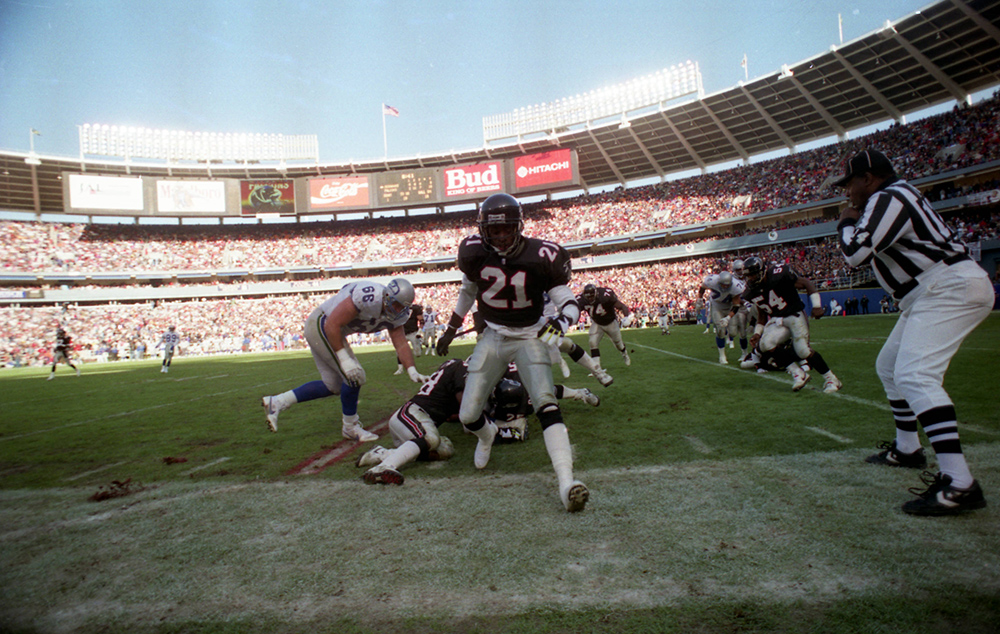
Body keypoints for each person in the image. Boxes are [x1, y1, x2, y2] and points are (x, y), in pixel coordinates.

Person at [835, 148, 993, 516]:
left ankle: (959, 483)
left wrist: (845, 222)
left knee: (915, 374)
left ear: (868, 178)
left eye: (850, 184)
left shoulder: (889, 196)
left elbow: (855, 253)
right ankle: (908, 448)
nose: (847, 194)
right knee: (889, 367)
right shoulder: (891, 195)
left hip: (946, 285)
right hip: (926, 292)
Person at [435, 192, 589, 512]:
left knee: (546, 403)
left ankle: (566, 482)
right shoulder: (474, 253)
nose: (501, 236)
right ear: (484, 230)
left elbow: (569, 303)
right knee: (468, 414)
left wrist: (560, 322)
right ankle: (486, 436)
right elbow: (467, 293)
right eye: (495, 230)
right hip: (493, 336)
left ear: (519, 226)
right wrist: (450, 329)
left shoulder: (543, 255)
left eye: (507, 229)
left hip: (530, 336)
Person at [357, 359, 601, 485]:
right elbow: (468, 415)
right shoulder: (465, 372)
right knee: (431, 439)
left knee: (445, 448)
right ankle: (383, 468)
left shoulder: (473, 372)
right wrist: (499, 428)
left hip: (418, 420)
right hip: (411, 414)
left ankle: (383, 453)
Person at [260, 278, 429, 441]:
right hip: (322, 324)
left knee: (332, 386)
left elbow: (400, 343)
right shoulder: (368, 296)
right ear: (386, 296)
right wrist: (344, 359)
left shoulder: (400, 315)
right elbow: (332, 324)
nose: (397, 309)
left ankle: (277, 402)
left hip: (331, 330)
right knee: (355, 375)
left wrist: (411, 370)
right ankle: (350, 427)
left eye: (402, 307)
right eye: (396, 303)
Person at [742, 256, 842, 393]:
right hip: (777, 319)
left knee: (802, 350)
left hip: (794, 314)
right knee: (765, 343)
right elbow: (762, 315)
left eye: (753, 274)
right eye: (748, 276)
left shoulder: (778, 275)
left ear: (761, 271)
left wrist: (817, 305)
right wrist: (757, 333)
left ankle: (831, 379)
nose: (751, 278)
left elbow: (806, 283)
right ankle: (798, 373)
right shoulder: (750, 292)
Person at [577, 283, 632, 371]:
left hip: (610, 323)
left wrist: (626, 317)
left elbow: (621, 306)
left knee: (618, 344)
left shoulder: (605, 295)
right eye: (588, 297)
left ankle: (624, 353)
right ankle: (597, 368)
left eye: (592, 296)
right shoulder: (581, 299)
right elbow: (575, 309)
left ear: (596, 294)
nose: (590, 299)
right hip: (597, 323)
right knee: (592, 342)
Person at [698, 271, 746, 365]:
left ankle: (730, 339)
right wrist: (699, 299)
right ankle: (722, 356)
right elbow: (702, 288)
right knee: (720, 330)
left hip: (729, 306)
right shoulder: (711, 280)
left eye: (727, 285)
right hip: (717, 306)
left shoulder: (736, 287)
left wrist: (728, 318)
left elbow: (736, 305)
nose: (724, 287)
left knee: (733, 333)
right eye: (723, 285)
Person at [395, 303, 424, 374]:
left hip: (413, 332)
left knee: (418, 354)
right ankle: (400, 369)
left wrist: (419, 331)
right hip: (403, 333)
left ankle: (419, 343)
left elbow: (422, 320)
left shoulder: (415, 309)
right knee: (399, 351)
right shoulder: (399, 308)